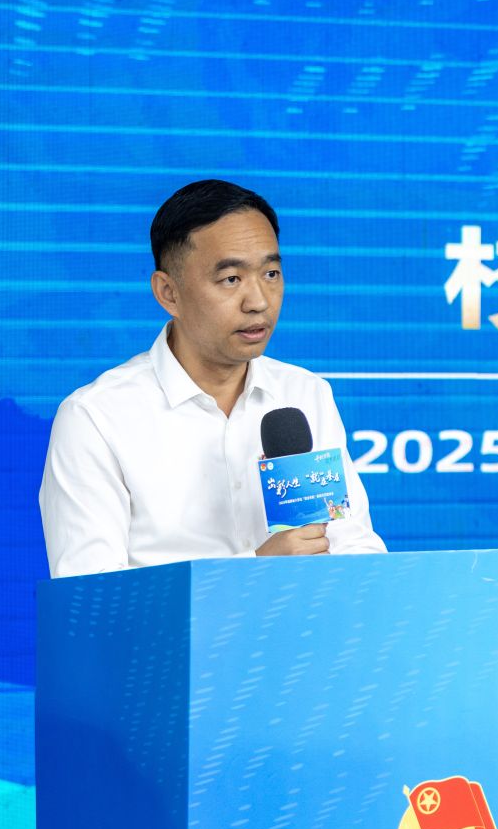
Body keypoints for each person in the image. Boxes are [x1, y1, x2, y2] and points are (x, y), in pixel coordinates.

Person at [39, 179, 386, 577]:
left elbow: (350, 540)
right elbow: (91, 594)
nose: (258, 301)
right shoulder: (96, 418)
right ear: (168, 293)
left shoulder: (304, 394)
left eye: (271, 273)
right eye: (231, 279)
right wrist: (256, 570)